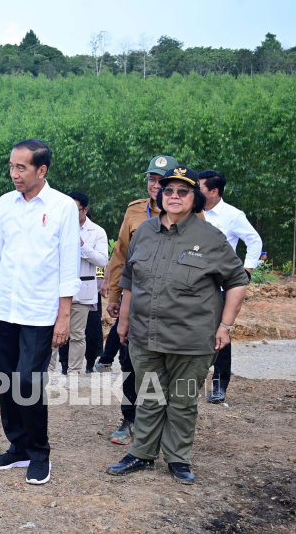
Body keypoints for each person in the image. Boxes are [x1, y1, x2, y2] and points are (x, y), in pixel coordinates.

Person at [106, 165, 248, 484]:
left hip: (191, 340)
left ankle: (178, 458)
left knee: (182, 401)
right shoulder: (143, 231)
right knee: (150, 396)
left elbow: (238, 280)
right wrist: (123, 322)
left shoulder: (209, 237)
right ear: (159, 194)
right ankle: (141, 454)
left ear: (194, 198)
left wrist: (225, 325)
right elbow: (129, 278)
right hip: (146, 336)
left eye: (182, 191)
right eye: (167, 190)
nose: (173, 196)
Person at [0, 139, 81, 485]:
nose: (13, 174)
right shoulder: (4, 205)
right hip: (5, 308)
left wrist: (64, 316)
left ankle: (39, 452)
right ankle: (18, 447)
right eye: (11, 166)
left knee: (28, 381)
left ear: (42, 170)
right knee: (6, 380)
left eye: (21, 167)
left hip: (40, 312)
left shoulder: (63, 207)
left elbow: (68, 265)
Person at [96, 155, 177, 445]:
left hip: (173, 307)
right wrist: (114, 295)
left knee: (167, 364)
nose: (155, 185)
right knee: (129, 361)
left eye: (162, 180)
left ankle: (162, 422)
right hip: (137, 302)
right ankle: (130, 419)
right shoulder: (134, 212)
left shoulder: (192, 214)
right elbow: (120, 256)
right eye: (151, 179)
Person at [199, 170, 262, 404]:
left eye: (200, 188)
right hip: (194, 284)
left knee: (220, 334)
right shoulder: (193, 212)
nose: (196, 192)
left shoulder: (232, 215)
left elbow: (254, 240)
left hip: (220, 285)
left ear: (214, 191)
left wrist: (247, 271)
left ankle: (219, 385)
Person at [49, 192, 107, 375]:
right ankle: (48, 370)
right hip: (57, 289)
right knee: (51, 331)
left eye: (76, 210)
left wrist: (82, 245)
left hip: (83, 289)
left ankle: (74, 372)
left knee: (77, 334)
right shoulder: (56, 228)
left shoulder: (97, 232)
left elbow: (102, 260)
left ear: (85, 210)